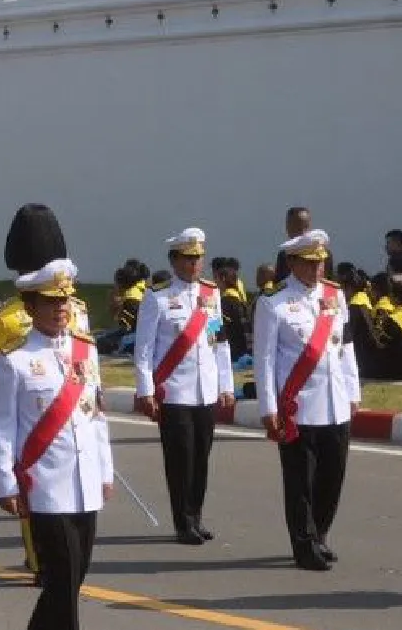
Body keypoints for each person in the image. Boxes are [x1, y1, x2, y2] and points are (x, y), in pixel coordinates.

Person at [0, 257, 113, 630]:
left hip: (84, 478)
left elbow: (95, 415)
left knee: (76, 574)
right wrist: (5, 481)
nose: (61, 309)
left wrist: (105, 468)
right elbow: (2, 425)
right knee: (62, 574)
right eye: (50, 302)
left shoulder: (86, 350)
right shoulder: (15, 360)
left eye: (65, 300)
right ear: (31, 305)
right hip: (44, 483)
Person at [0, 204, 86, 582]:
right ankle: (39, 557)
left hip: (69, 409)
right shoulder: (8, 317)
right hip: (30, 415)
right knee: (33, 485)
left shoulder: (74, 309)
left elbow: (84, 356)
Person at [253, 230, 360, 571]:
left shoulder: (335, 296)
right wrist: (269, 408)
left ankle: (321, 535)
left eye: (322, 261)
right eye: (310, 263)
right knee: (301, 482)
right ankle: (304, 544)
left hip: (335, 401)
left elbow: (345, 348)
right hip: (298, 406)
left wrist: (353, 392)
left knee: (333, 476)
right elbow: (264, 360)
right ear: (293, 263)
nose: (318, 268)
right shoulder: (274, 302)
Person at [133, 227, 234, 544]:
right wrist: (145, 390)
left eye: (198, 258)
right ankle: (183, 520)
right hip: (174, 390)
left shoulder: (210, 294)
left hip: (204, 389)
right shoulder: (158, 296)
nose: (194, 264)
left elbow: (218, 341)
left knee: (201, 458)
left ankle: (196, 515)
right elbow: (144, 349)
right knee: (181, 459)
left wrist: (225, 384)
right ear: (174, 260)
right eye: (187, 258)